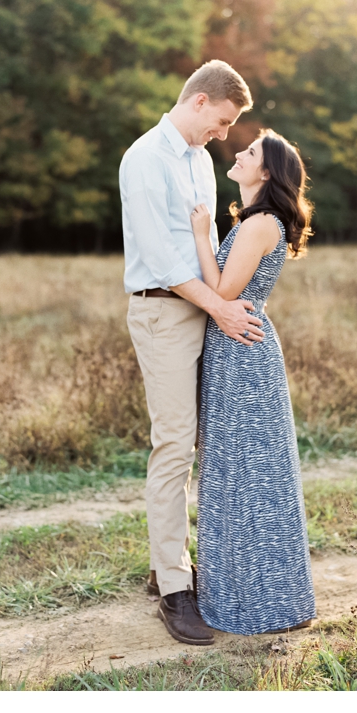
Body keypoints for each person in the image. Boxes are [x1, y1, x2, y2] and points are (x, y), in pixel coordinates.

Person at [120, 59, 264, 646]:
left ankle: (167, 565)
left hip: (204, 308)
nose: (224, 134)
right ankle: (176, 590)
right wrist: (222, 308)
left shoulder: (201, 162)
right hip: (163, 311)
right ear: (200, 102)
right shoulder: (144, 159)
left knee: (199, 443)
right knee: (174, 444)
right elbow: (163, 259)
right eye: (223, 120)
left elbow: (204, 247)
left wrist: (224, 302)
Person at [189, 129, 317, 634]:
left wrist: (203, 235)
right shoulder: (255, 222)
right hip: (234, 348)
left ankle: (264, 600)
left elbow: (222, 290)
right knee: (237, 471)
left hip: (243, 354)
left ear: (265, 173)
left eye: (250, 153)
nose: (239, 154)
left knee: (253, 476)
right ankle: (243, 590)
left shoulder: (261, 223)